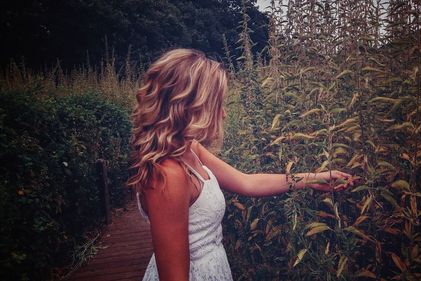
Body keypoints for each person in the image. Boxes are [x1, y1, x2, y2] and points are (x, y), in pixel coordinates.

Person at [128, 48, 356, 281]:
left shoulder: (189, 149)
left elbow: (247, 182)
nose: (224, 114)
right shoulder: (168, 175)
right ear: (191, 105)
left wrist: (311, 178)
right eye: (217, 104)